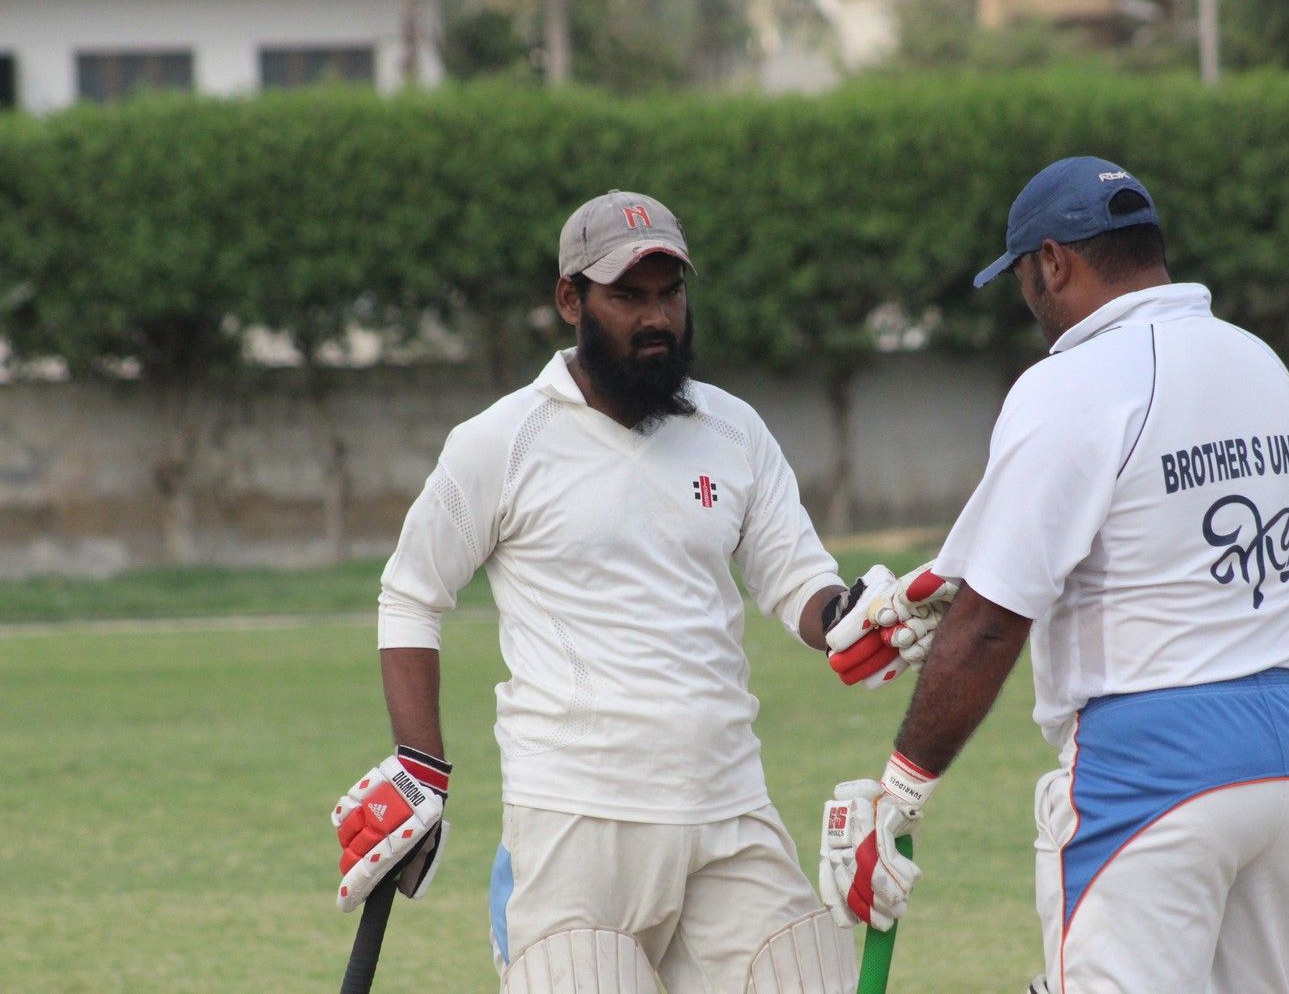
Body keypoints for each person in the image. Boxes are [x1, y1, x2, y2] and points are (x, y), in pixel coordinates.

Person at [329, 190, 949, 993]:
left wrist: (851, 614)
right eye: (628, 296)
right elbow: (411, 594)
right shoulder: (502, 441)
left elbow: (799, 578)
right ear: (571, 300)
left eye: (670, 293)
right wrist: (421, 766)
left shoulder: (733, 430)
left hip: (730, 813)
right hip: (575, 828)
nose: (657, 318)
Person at [819, 158, 1289, 993]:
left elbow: (993, 623)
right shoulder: (1260, 364)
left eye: (1022, 278)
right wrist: (953, 581)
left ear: (1053, 262)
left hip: (1155, 768)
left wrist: (900, 791)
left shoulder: (1073, 380)